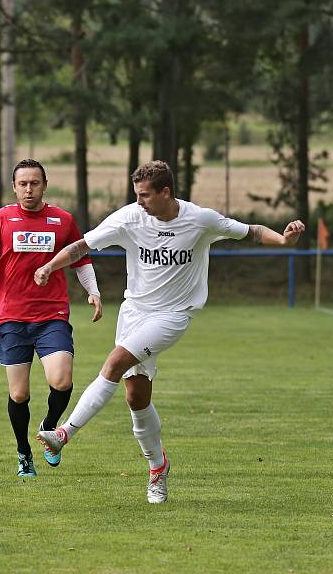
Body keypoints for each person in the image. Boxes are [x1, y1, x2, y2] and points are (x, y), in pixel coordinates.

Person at [34, 160, 305, 502]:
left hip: (173, 315)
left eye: (145, 195)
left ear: (166, 193)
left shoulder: (199, 219)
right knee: (136, 397)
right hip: (134, 313)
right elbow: (82, 246)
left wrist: (282, 240)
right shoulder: (130, 217)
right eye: (136, 195)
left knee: (114, 363)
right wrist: (48, 265)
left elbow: (248, 230)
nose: (139, 201)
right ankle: (158, 468)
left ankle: (64, 432)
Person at [0, 158, 102, 477]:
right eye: (22, 183)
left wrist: (93, 291)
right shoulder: (1, 218)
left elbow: (81, 258)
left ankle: (50, 428)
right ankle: (24, 452)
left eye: (34, 183)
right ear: (14, 187)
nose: (29, 189)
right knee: (19, 394)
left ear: (44, 185)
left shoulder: (62, 220)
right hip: (11, 319)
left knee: (62, 381)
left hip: (51, 315)